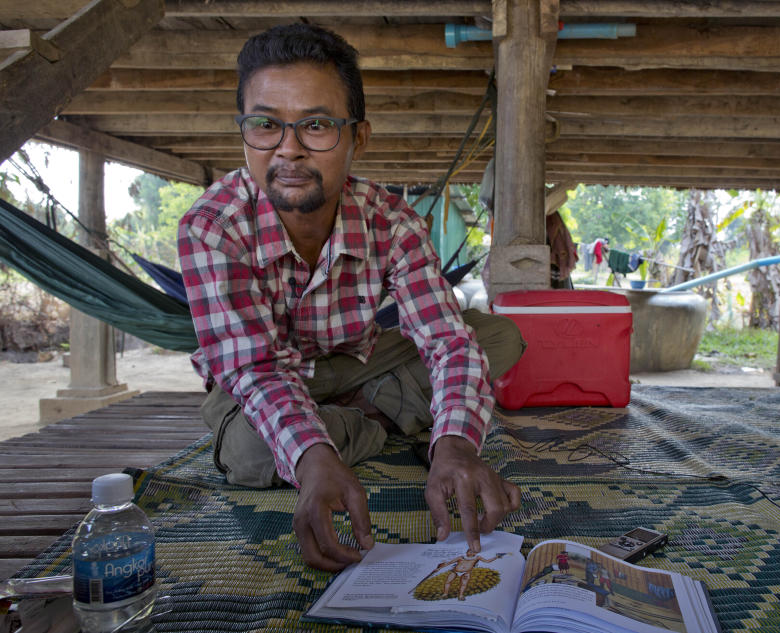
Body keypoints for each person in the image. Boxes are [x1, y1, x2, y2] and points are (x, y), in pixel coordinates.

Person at [177, 23, 525, 571]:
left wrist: (457, 446)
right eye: (266, 125)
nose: (288, 150)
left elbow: (448, 344)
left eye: (316, 125)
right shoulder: (211, 227)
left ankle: (356, 419)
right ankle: (370, 423)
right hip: (259, 373)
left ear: (357, 138)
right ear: (243, 132)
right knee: (250, 450)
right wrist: (314, 461)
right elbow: (253, 369)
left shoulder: (394, 222)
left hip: (356, 361)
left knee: (499, 336)